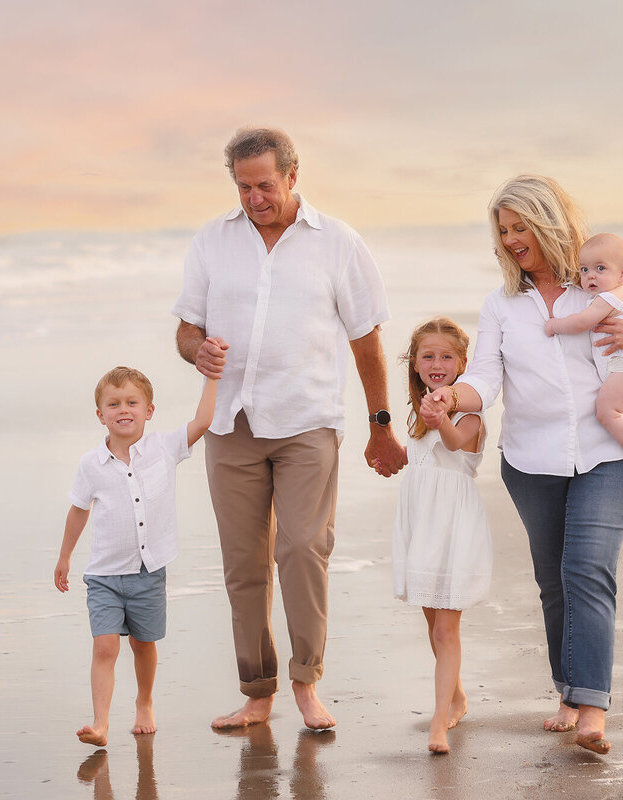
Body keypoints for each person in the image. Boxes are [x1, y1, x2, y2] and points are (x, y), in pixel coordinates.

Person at [424, 175, 623, 754]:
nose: (511, 239)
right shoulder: (502, 304)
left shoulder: (601, 287)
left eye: (521, 227)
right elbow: (484, 380)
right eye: (503, 230)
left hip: (609, 453)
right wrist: (451, 396)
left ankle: (592, 706)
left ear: (549, 223)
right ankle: (568, 688)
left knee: (588, 570)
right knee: (553, 581)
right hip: (531, 461)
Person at [171, 127, 407, 731]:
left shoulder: (338, 243)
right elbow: (185, 330)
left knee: (303, 547)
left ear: (293, 177)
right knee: (244, 564)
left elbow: (367, 340)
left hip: (307, 421)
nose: (254, 198)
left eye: (265, 185)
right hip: (232, 423)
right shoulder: (212, 241)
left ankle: (307, 682)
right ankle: (257, 690)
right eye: (244, 187)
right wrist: (197, 351)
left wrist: (381, 424)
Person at [55, 364, 219, 746]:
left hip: (149, 571)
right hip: (104, 577)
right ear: (100, 415)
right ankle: (100, 724)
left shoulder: (165, 448)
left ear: (149, 410)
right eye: (113, 404)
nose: (123, 409)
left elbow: (204, 420)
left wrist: (213, 375)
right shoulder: (90, 464)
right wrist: (65, 556)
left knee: (144, 644)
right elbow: (79, 508)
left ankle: (145, 702)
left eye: (132, 401)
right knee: (105, 646)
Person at [391, 317, 492, 754]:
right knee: (433, 625)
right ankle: (458, 696)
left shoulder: (470, 415)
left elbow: (453, 444)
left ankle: (438, 722)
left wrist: (440, 414)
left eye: (447, 357)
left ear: (462, 364)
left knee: (447, 630)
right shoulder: (418, 414)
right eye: (428, 356)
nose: (437, 363)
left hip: (453, 527)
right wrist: (426, 414)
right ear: (414, 363)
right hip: (421, 524)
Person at [544, 233, 623, 473]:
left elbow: (582, 322)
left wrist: (555, 325)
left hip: (620, 368)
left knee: (606, 412)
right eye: (584, 270)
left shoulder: (606, 298)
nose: (590, 275)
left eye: (600, 268)